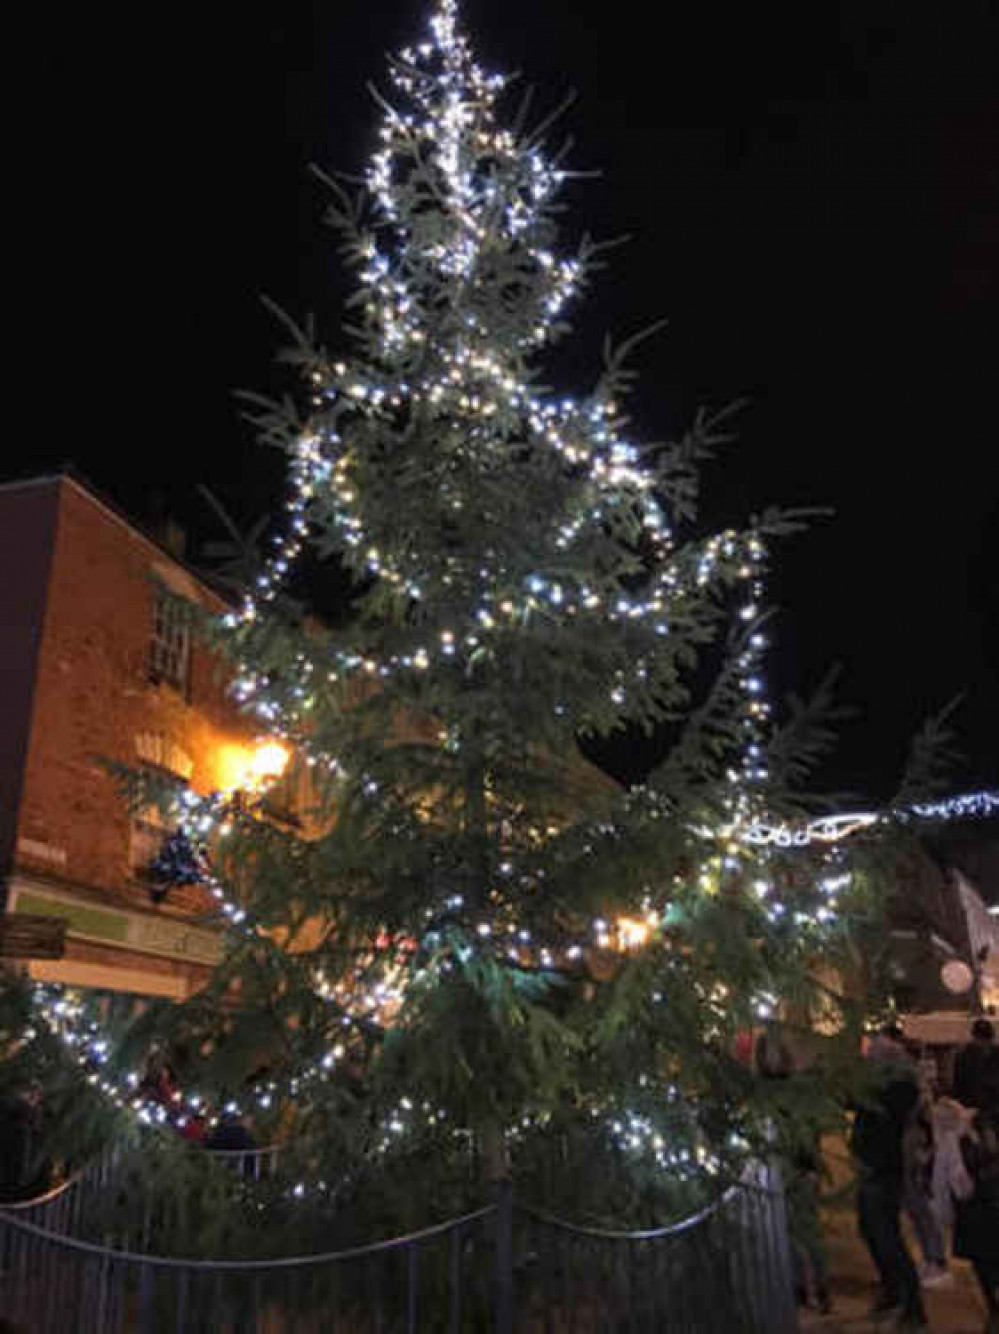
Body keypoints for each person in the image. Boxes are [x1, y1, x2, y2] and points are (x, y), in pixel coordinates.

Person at [851, 1030, 928, 1330]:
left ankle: (912, 1305)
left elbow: (880, 1115)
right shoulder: (886, 1089)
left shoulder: (896, 1091)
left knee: (887, 1238)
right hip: (874, 1167)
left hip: (882, 1169)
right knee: (872, 1231)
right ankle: (893, 1290)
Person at [953, 1107, 999, 1334]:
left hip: (986, 1201)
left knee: (987, 1260)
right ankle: (993, 1309)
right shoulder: (971, 1126)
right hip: (980, 1205)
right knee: (983, 1261)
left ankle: (994, 1310)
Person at [954, 1020, 999, 1112]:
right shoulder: (964, 1055)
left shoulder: (996, 1053)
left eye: (986, 1039)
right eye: (979, 1038)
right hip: (970, 1105)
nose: (983, 1042)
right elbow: (958, 1081)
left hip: (993, 1106)